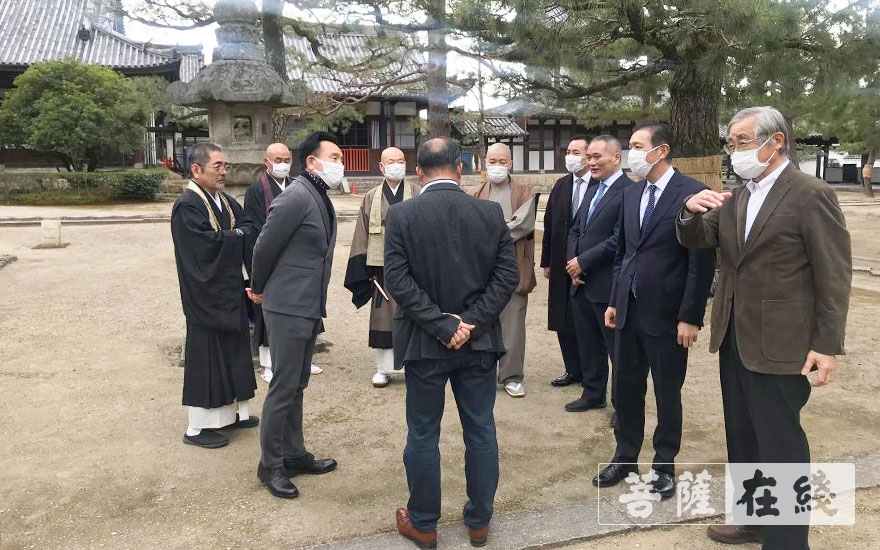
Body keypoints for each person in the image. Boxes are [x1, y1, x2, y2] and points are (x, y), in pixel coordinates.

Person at [677, 106, 851, 550]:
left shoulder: (810, 193)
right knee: (743, 435)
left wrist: (826, 346)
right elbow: (698, 237)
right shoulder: (739, 195)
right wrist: (689, 210)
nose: (735, 151)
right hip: (734, 336)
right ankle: (754, 519)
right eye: (731, 143)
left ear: (775, 142)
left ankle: (789, 542)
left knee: (780, 441)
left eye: (743, 141)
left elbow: (833, 274)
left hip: (782, 341)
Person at [384, 137, 518, 549]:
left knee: (423, 433)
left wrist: (442, 325)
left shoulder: (402, 215)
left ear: (418, 173)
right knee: (480, 431)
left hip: (426, 343)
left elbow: (398, 281)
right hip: (477, 345)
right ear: (461, 168)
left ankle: (423, 523)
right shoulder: (489, 212)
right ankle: (479, 520)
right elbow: (506, 278)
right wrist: (471, 323)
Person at [593, 124, 715, 499]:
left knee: (667, 392)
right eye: (629, 146)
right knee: (625, 389)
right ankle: (625, 455)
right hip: (628, 309)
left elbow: (702, 260)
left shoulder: (692, 192)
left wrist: (691, 316)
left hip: (668, 315)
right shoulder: (632, 194)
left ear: (660, 151)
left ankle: (664, 465)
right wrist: (614, 299)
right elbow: (623, 253)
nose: (631, 153)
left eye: (636, 146)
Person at [248, 131, 343, 499]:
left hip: (305, 305)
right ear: (312, 162)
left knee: (297, 384)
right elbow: (264, 245)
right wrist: (258, 287)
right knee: (284, 386)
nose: (340, 164)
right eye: (333, 157)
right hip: (287, 305)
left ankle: (294, 453)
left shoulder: (316, 195)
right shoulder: (296, 197)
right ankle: (270, 465)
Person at [170, 142, 259, 449]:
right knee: (208, 355)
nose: (224, 172)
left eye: (225, 166)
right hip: (204, 292)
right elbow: (204, 246)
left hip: (229, 288)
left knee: (234, 350)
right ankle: (199, 426)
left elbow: (248, 225)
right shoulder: (188, 205)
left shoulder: (222, 200)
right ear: (196, 170)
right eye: (218, 166)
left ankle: (232, 413)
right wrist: (234, 237)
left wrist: (233, 236)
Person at [564, 136, 632, 422]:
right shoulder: (592, 188)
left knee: (617, 350)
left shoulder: (629, 191)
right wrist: (573, 265)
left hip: (608, 282)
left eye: (596, 157)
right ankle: (593, 393)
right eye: (588, 157)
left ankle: (623, 405)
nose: (590, 162)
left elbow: (619, 238)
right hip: (581, 281)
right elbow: (576, 228)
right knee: (588, 342)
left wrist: (584, 261)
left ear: (616, 158)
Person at [244, 143, 323, 383]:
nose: (283, 164)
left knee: (302, 309)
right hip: (272, 262)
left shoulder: (299, 187)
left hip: (298, 263)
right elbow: (259, 234)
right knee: (269, 314)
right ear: (265, 161)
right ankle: (268, 364)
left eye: (287, 159)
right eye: (277, 159)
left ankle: (304, 358)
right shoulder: (256, 191)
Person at [344, 146, 421, 387]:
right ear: (382, 166)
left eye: (400, 160)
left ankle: (411, 366)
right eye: (391, 161)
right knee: (382, 319)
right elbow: (361, 233)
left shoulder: (418, 193)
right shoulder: (371, 197)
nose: (397, 164)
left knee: (413, 316)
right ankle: (383, 369)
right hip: (381, 270)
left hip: (413, 270)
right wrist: (364, 268)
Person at [470, 142, 539, 398]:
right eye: (492, 161)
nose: (496, 166)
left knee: (512, 324)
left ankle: (511, 376)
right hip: (482, 267)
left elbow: (523, 223)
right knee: (481, 320)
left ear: (510, 164)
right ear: (484, 162)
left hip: (513, 266)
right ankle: (483, 372)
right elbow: (469, 225)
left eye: (501, 162)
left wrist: (491, 234)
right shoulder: (475, 192)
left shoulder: (524, 191)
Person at [542, 136, 593, 388]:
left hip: (587, 263)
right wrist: (547, 262)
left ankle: (589, 372)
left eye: (576, 152)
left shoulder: (598, 184)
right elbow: (550, 224)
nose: (571, 156)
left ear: (588, 155)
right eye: (569, 151)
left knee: (585, 319)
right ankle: (571, 369)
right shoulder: (561, 185)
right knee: (562, 318)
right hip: (561, 260)